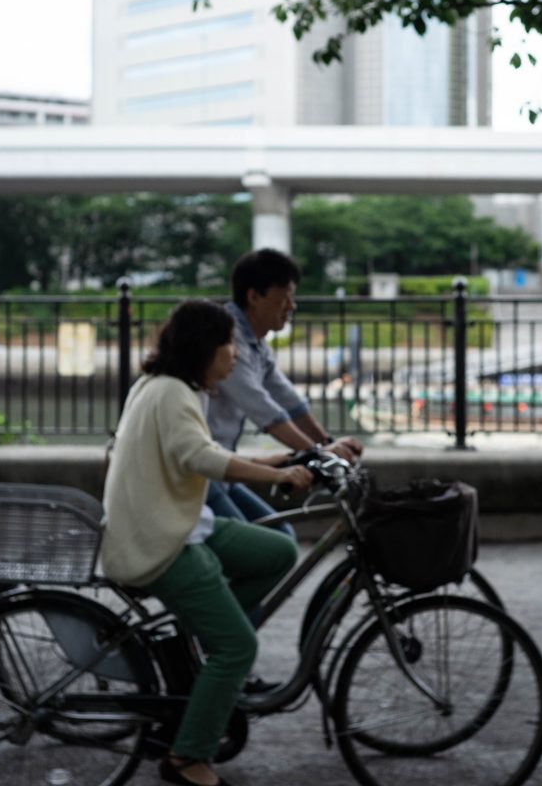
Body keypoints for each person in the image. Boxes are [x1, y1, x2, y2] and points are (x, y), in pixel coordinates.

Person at [102, 300, 312, 786]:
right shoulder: (173, 393)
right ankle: (187, 758)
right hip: (163, 541)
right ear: (205, 347)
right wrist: (274, 473)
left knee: (278, 550)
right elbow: (200, 458)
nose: (236, 354)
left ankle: (198, 636)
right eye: (228, 343)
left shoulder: (165, 387)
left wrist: (284, 457)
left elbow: (205, 449)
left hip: (177, 523)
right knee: (237, 646)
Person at [204, 249, 363, 535]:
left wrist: (327, 443)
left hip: (221, 469)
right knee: (265, 549)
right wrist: (318, 452)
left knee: (281, 535)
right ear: (254, 297)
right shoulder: (225, 337)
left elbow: (289, 401)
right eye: (285, 296)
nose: (292, 305)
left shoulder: (257, 344)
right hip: (201, 473)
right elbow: (263, 408)